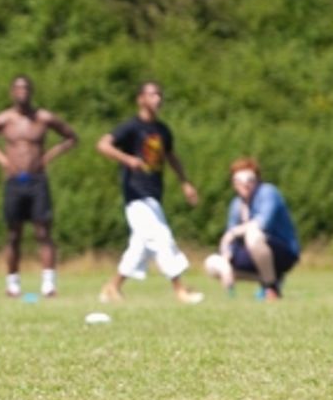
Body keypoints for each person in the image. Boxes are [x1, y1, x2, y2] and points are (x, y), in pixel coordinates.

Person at [95, 81, 203, 304]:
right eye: (152, 95)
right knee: (162, 236)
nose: (158, 99)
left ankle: (112, 287)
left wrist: (185, 182)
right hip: (136, 195)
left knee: (140, 245)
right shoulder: (131, 127)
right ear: (141, 99)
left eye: (159, 95)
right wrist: (127, 159)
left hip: (154, 194)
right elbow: (103, 145)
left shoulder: (162, 130)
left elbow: (171, 157)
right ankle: (180, 289)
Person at [0, 75, 78, 299]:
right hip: (14, 180)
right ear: (12, 92)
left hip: (37, 179)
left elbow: (71, 137)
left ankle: (48, 284)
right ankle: (12, 284)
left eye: (25, 88)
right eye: (18, 88)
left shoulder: (43, 118)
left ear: (31, 92)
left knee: (43, 231)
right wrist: (3, 160)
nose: (22, 92)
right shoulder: (3, 119)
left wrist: (49, 156)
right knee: (14, 233)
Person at [204, 158, 301, 301]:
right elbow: (229, 240)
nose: (245, 185)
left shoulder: (268, 192)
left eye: (250, 180)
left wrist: (233, 233)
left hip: (282, 251)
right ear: (233, 183)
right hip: (253, 255)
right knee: (212, 263)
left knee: (252, 234)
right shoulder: (236, 204)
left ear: (258, 180)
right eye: (239, 181)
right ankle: (272, 280)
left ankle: (271, 289)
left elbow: (262, 223)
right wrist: (226, 259)